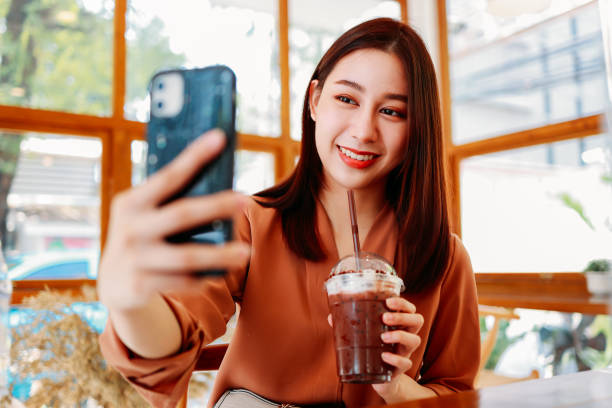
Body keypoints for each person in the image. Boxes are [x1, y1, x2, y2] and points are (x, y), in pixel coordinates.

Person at [98, 17, 480, 408]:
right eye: (346, 99)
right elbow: (169, 338)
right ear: (315, 99)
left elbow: (457, 394)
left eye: (393, 111)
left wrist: (397, 387)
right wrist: (131, 301)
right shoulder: (251, 222)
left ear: (417, 128)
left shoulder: (446, 258)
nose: (364, 130)